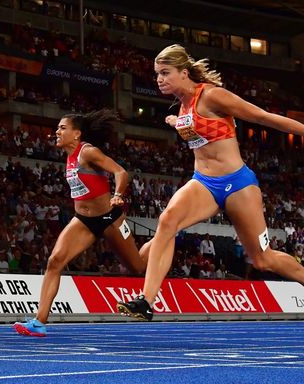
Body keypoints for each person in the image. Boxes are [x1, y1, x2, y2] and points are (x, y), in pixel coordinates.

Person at [117, 44, 304, 321]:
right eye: (157, 73)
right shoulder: (182, 107)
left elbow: (263, 117)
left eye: (166, 73)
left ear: (184, 73)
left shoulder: (213, 96)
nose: (159, 79)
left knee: (263, 259)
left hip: (238, 183)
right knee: (167, 221)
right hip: (203, 182)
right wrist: (173, 121)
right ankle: (146, 301)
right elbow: (193, 128)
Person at [14, 109, 148, 337]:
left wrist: (118, 194)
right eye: (57, 128)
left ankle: (162, 240)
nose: (57, 131)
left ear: (76, 134)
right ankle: (39, 321)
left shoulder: (88, 152)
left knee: (138, 267)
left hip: (109, 219)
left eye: (62, 128)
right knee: (55, 261)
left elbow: (120, 172)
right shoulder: (68, 156)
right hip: (83, 220)